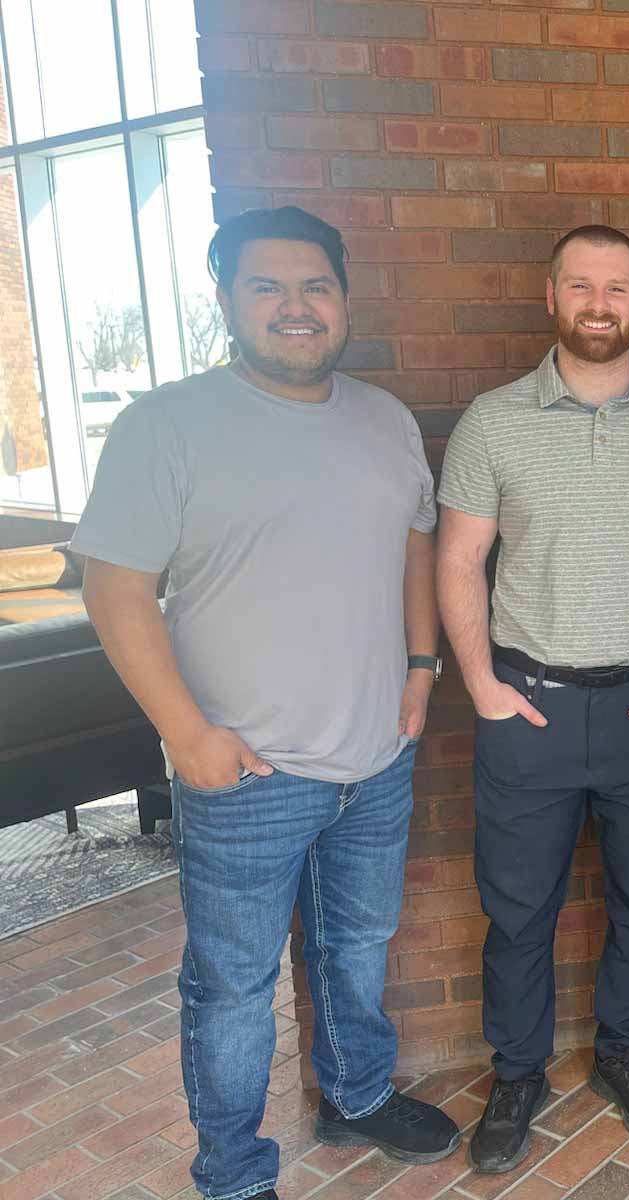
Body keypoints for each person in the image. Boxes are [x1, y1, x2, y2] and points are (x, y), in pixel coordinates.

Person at [72, 205, 460, 1200]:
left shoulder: (383, 418)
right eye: (267, 287)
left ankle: (358, 1097)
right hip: (242, 771)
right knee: (234, 988)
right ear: (228, 301)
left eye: (315, 286)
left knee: (357, 946)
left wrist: (422, 665)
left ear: (344, 297)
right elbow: (114, 588)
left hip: (376, 756)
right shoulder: (166, 425)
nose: (296, 307)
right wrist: (185, 734)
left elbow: (415, 544)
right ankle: (235, 1172)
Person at [436, 225, 629, 1172]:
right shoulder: (493, 420)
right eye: (581, 286)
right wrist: (481, 685)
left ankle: (623, 1053)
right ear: (551, 296)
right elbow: (458, 559)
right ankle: (518, 1071)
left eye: (617, 288)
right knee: (517, 910)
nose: (598, 303)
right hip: (525, 706)